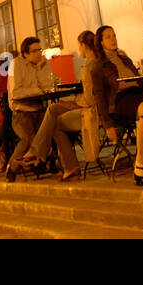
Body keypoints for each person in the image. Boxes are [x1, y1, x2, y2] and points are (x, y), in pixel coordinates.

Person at [91, 25, 143, 185]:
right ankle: (140, 163)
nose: (113, 39)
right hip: (119, 100)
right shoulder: (97, 66)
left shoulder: (125, 59)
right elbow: (99, 97)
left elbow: (138, 80)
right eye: (108, 37)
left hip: (137, 94)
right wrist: (107, 125)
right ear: (101, 42)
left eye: (114, 35)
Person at [24, 30, 99, 181]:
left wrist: (76, 100)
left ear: (84, 46)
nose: (79, 50)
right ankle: (40, 153)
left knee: (54, 122)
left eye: (79, 46)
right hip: (85, 104)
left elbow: (90, 99)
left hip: (90, 109)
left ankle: (67, 165)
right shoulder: (92, 64)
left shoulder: (90, 66)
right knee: (53, 110)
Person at [6, 36, 63, 180]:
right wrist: (38, 90)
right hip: (21, 112)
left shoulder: (42, 64)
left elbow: (47, 86)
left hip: (39, 108)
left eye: (40, 50)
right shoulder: (15, 65)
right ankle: (12, 167)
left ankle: (47, 162)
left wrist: (39, 69)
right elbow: (16, 93)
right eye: (35, 51)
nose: (39, 54)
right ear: (25, 53)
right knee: (28, 139)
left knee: (55, 128)